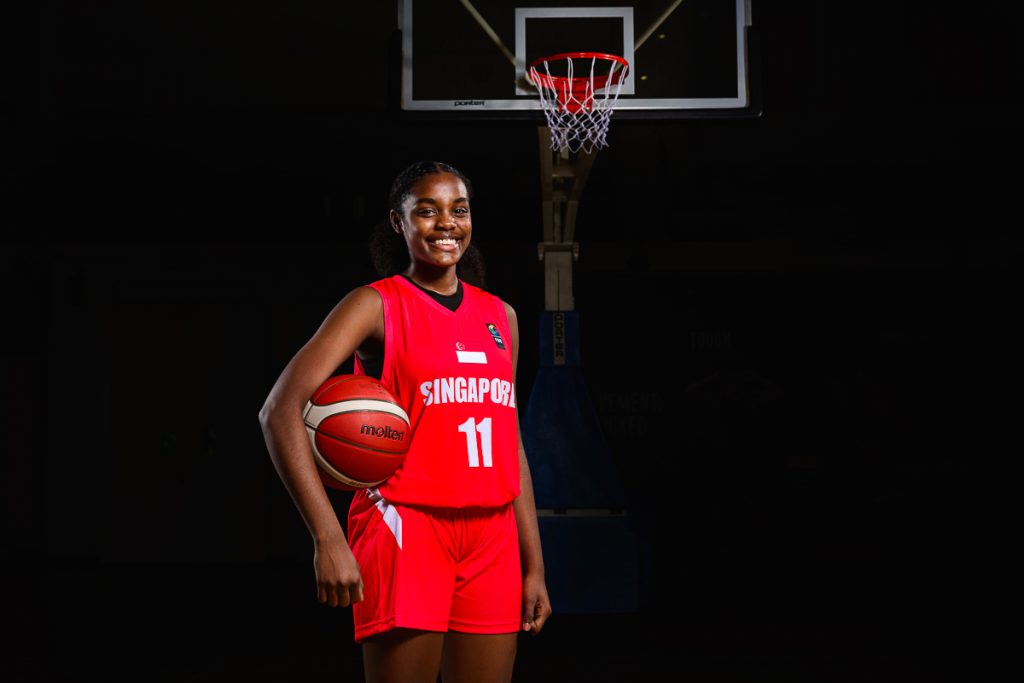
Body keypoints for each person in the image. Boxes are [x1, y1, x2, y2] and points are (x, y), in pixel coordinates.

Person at [258, 160, 552, 683]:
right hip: (406, 526)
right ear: (399, 222)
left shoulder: (500, 316)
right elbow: (278, 410)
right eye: (427, 210)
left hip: (493, 536)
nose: (446, 224)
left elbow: (511, 443)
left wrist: (534, 564)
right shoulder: (374, 305)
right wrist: (328, 537)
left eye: (458, 210)